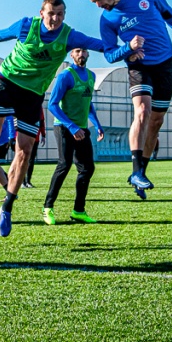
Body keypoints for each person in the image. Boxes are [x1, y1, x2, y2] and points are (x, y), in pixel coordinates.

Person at [0, 0, 104, 237]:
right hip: (7, 82)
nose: (56, 19)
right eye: (51, 14)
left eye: (60, 14)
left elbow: (99, 44)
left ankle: (7, 206)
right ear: (42, 13)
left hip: (32, 94)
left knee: (25, 150)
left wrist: (129, 50)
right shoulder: (26, 26)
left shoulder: (69, 36)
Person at [83, 0, 172, 200]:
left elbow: (167, 11)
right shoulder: (107, 20)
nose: (98, 5)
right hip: (138, 66)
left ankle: (141, 173)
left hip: (165, 63)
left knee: (156, 122)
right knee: (142, 111)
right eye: (94, 3)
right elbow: (110, 54)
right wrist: (128, 49)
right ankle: (135, 171)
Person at [43, 47, 105, 225]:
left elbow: (88, 102)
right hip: (64, 127)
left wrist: (97, 124)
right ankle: (48, 207)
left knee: (87, 168)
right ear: (71, 55)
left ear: (88, 54)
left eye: (84, 51)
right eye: (77, 51)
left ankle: (78, 210)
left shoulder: (91, 76)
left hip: (82, 128)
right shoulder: (65, 76)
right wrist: (71, 127)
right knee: (65, 164)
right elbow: (52, 105)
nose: (81, 54)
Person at [22, 107, 46, 189]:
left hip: (35, 138)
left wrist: (43, 135)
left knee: (31, 160)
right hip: (24, 137)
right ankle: (22, 181)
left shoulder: (39, 107)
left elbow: (42, 121)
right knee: (22, 159)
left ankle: (28, 181)